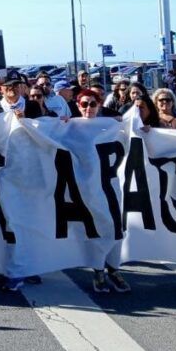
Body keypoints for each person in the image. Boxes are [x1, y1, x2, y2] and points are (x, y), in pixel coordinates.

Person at [70, 89, 131, 294]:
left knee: (117, 227)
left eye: (92, 104)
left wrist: (128, 124)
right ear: (78, 106)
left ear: (99, 105)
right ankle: (99, 270)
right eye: (84, 104)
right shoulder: (70, 126)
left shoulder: (111, 125)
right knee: (100, 227)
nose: (88, 108)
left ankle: (113, 269)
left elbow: (135, 134)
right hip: (86, 187)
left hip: (112, 185)